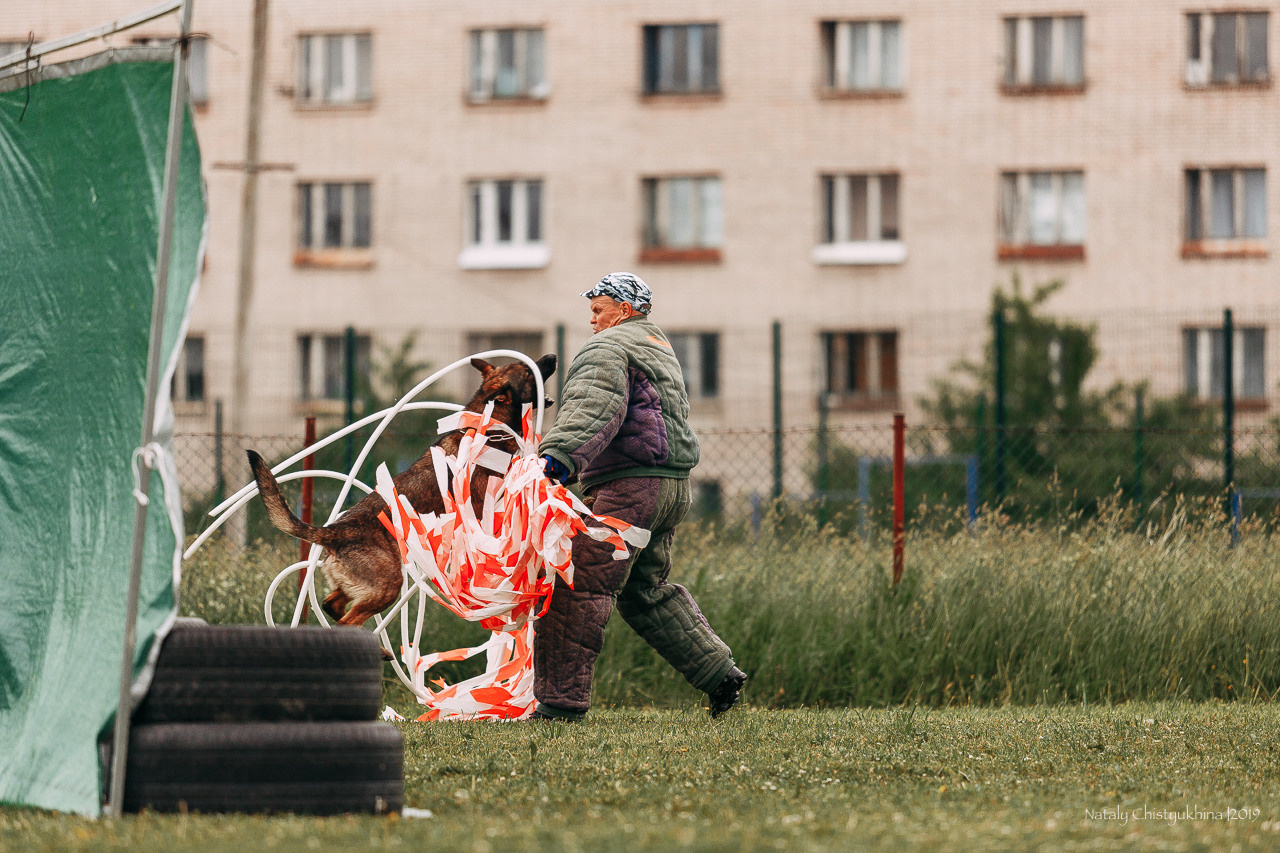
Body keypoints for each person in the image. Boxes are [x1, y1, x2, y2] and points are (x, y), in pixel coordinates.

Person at [532, 272, 747, 722]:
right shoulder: (657, 345)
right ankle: (719, 673)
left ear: (624, 311)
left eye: (598, 309)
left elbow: (596, 406)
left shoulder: (607, 348)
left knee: (576, 586)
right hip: (669, 487)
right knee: (643, 592)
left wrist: (557, 459)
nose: (591, 320)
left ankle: (559, 706)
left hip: (629, 487)